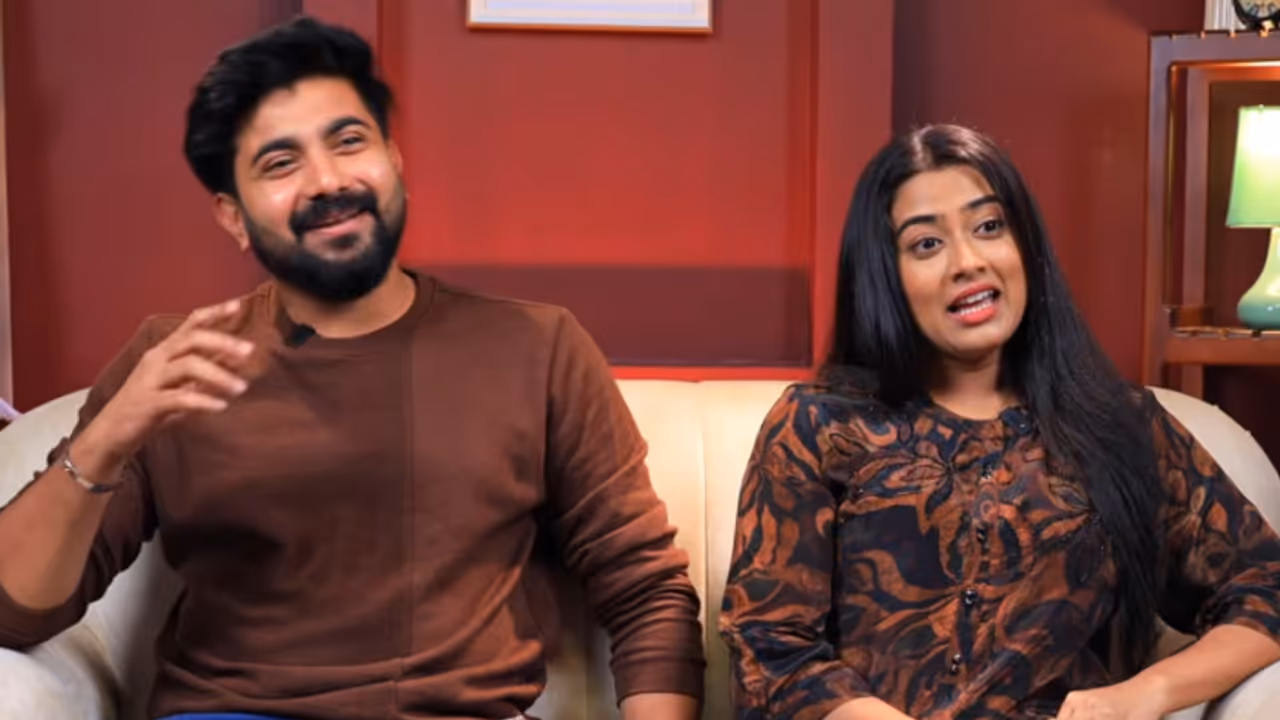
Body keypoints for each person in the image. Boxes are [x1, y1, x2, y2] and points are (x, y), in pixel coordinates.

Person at [0, 16, 704, 720]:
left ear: (394, 162)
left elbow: (645, 592)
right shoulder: (172, 358)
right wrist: (106, 440)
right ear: (233, 216)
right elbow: (16, 613)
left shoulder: (537, 346)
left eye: (348, 142)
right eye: (280, 163)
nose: (328, 180)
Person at [718, 124, 1280, 720]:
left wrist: (1143, 694)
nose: (968, 262)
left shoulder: (1124, 426)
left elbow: (1265, 588)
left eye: (989, 227)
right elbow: (769, 649)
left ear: (1025, 246)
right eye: (926, 244)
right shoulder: (817, 426)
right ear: (886, 275)